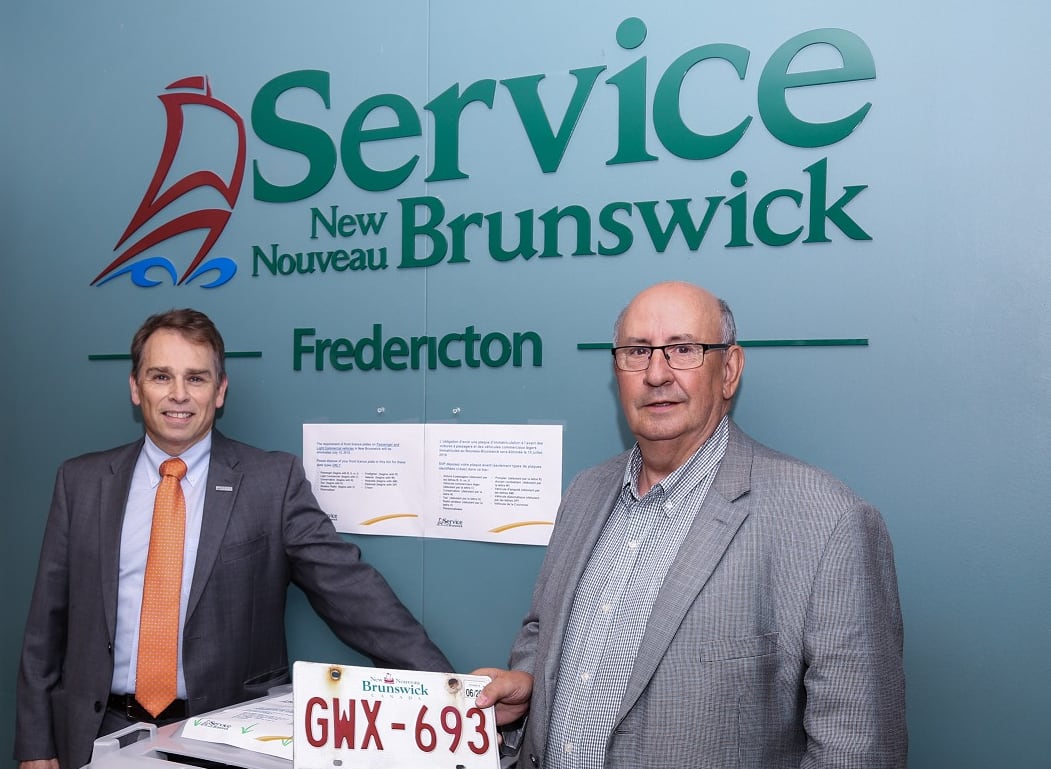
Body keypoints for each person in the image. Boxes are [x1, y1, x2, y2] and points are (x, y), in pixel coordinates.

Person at [476, 281, 907, 768]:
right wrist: (531, 688)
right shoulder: (583, 494)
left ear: (730, 370)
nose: (656, 374)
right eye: (637, 352)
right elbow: (543, 634)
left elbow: (857, 751)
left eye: (683, 349)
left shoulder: (828, 522)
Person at [15, 308, 452, 769]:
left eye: (197, 378)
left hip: (223, 739)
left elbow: (354, 595)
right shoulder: (81, 482)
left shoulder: (271, 481)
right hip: (97, 735)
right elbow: (46, 626)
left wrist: (450, 691)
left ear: (220, 391)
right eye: (161, 376)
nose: (178, 395)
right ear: (135, 387)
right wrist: (36, 744)